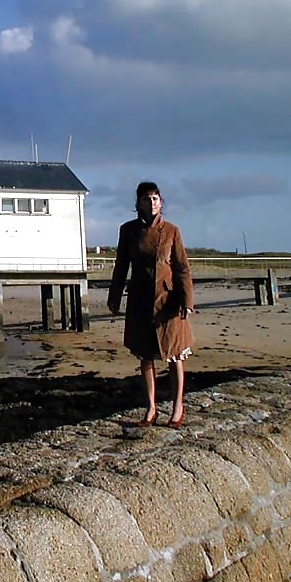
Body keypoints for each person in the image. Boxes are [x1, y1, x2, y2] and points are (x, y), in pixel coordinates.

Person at [107, 181, 194, 429]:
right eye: (147, 198)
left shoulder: (171, 231)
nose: (152, 202)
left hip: (168, 301)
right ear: (139, 203)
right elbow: (121, 266)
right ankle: (151, 408)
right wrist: (114, 296)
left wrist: (187, 300)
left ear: (161, 202)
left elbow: (182, 267)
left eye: (156, 198)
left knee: (174, 355)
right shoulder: (128, 231)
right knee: (145, 356)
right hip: (140, 299)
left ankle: (178, 407)